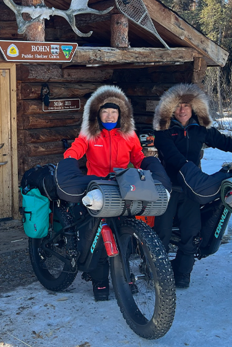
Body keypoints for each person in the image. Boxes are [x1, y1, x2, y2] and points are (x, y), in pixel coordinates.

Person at [151, 83, 232, 289]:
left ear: (194, 107)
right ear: (170, 109)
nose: (182, 110)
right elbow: (172, 156)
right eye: (177, 106)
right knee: (162, 233)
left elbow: (226, 143)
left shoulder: (200, 129)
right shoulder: (164, 131)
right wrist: (189, 170)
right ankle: (157, 273)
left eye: (186, 105)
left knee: (191, 232)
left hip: (193, 188)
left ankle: (182, 275)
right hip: (169, 188)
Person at [62, 85, 170, 301]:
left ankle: (125, 276)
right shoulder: (90, 134)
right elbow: (77, 148)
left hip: (124, 187)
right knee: (98, 235)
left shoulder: (128, 135)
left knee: (125, 234)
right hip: (98, 187)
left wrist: (148, 163)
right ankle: (100, 279)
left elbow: (137, 156)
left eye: (114, 112)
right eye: (105, 111)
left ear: (120, 114)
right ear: (98, 114)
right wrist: (68, 160)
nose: (110, 115)